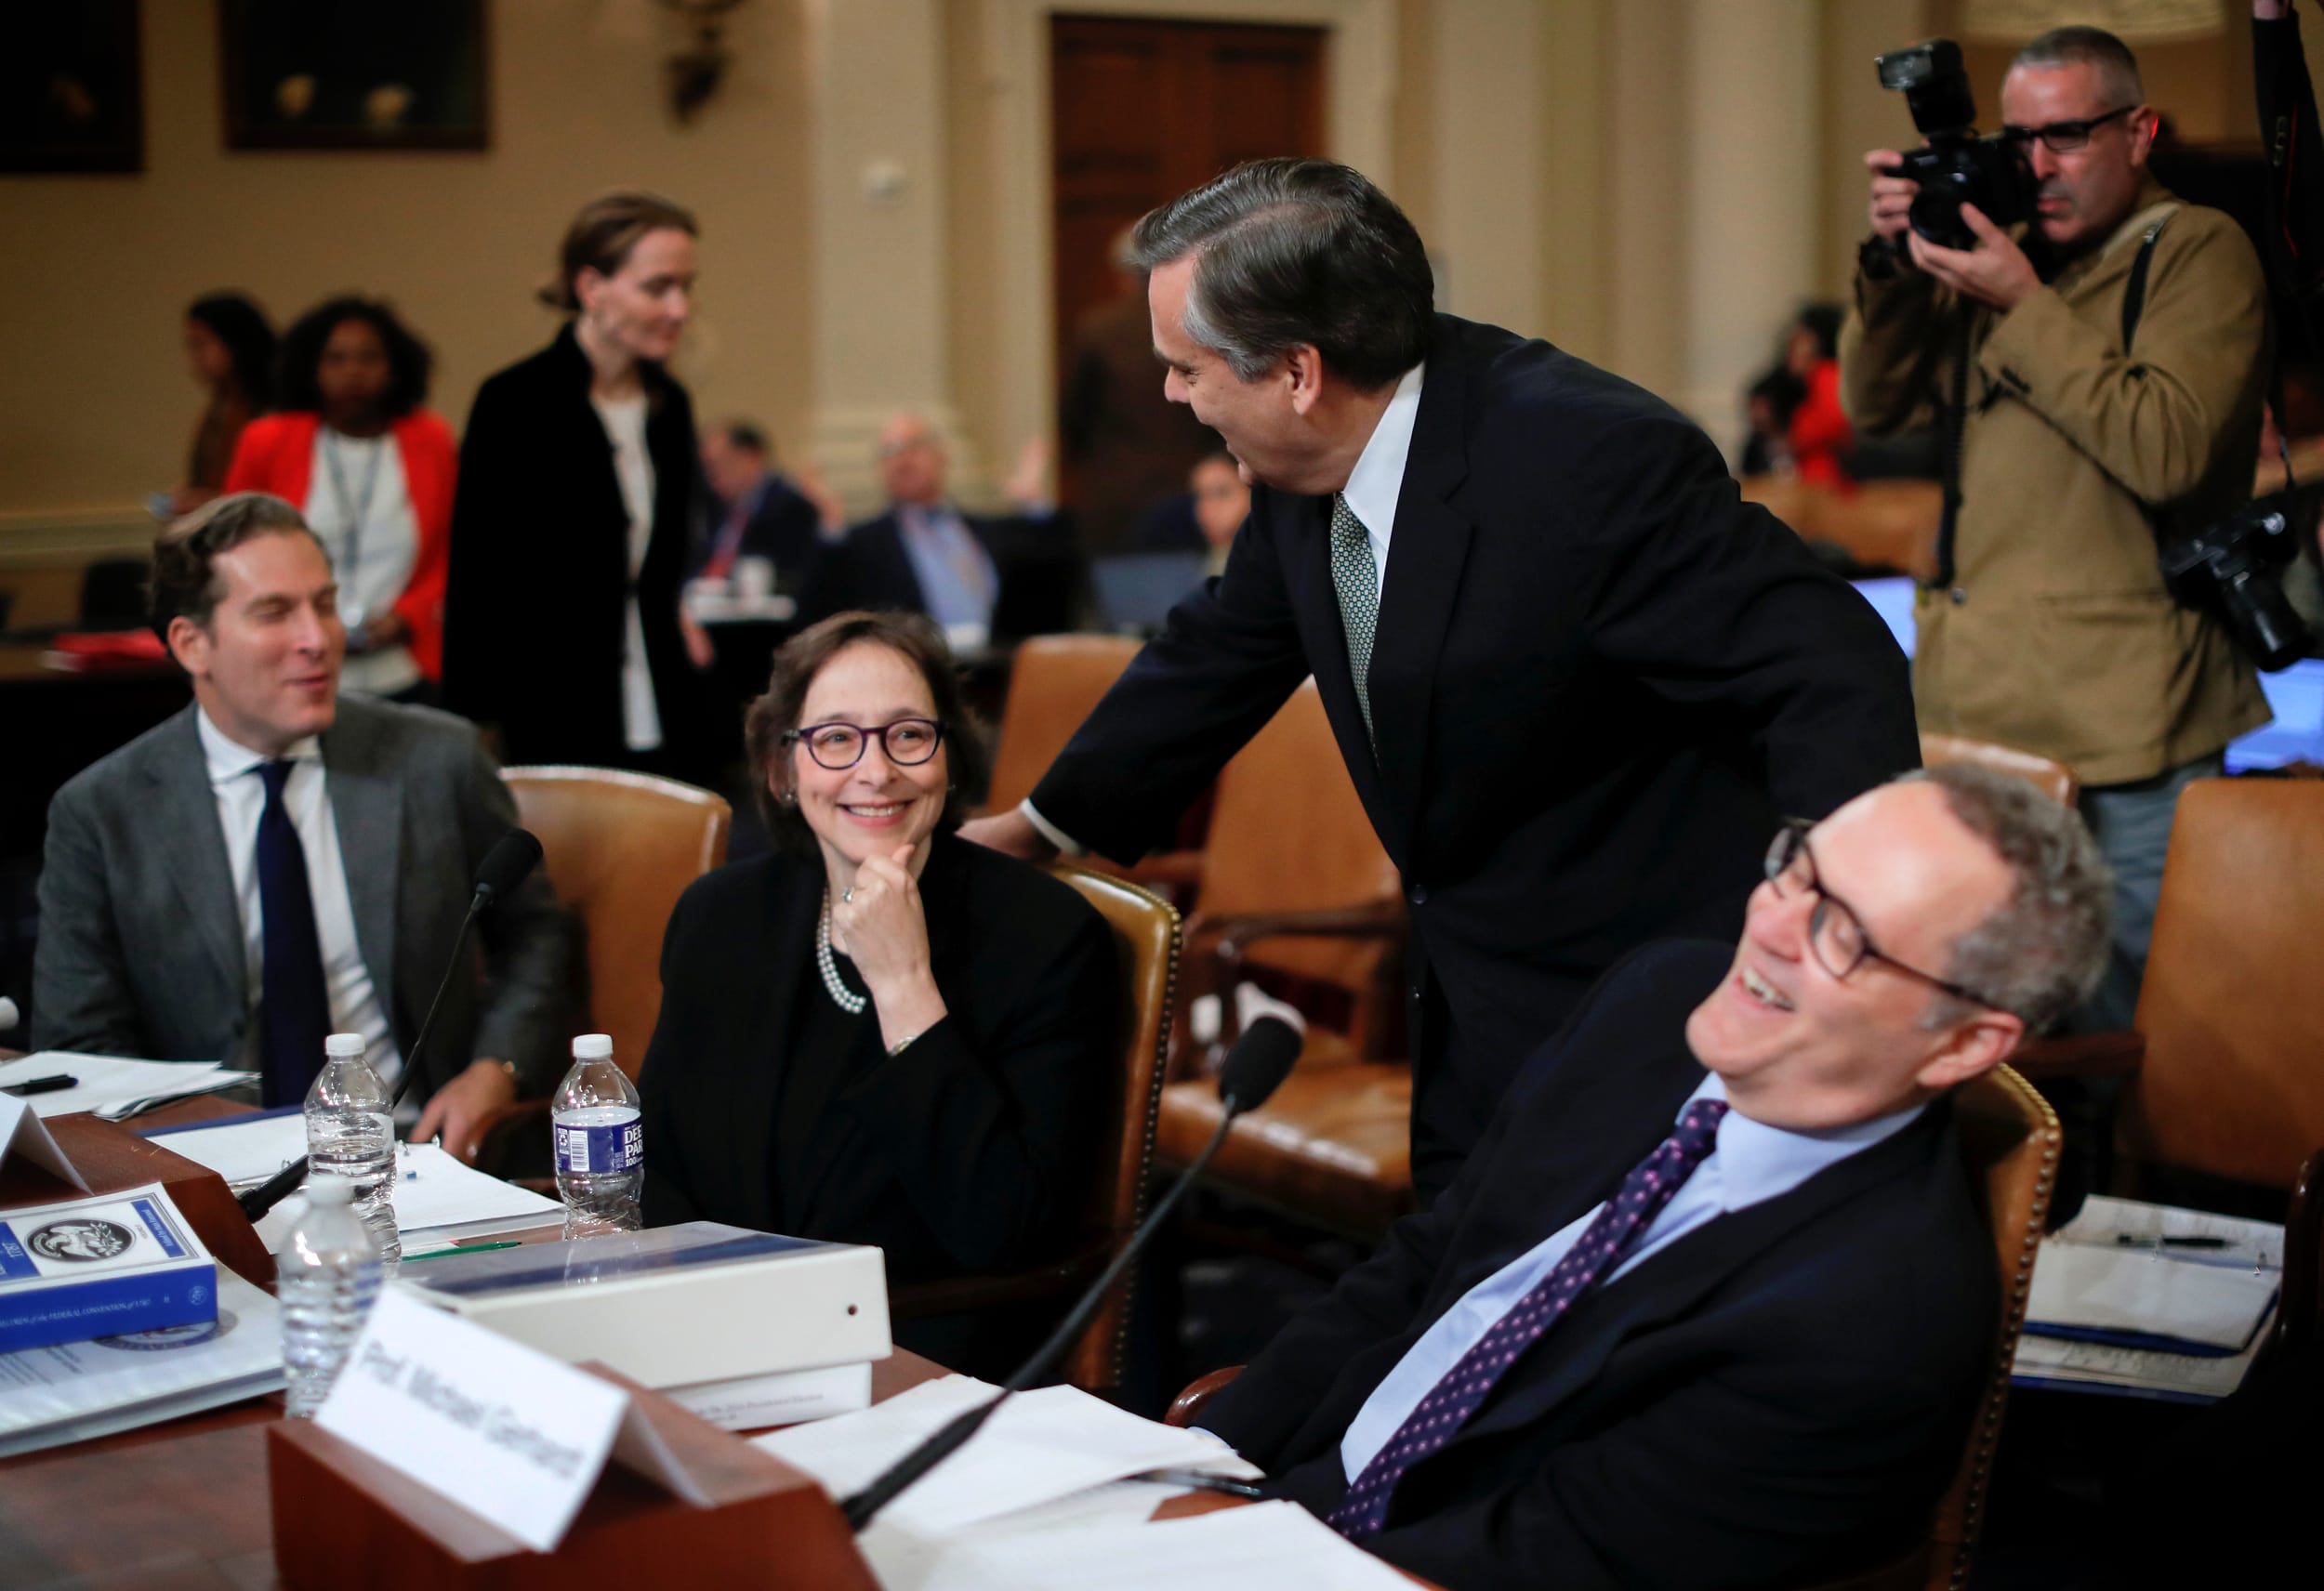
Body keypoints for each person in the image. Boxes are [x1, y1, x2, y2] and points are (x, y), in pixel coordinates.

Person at [963, 158, 1921, 1200]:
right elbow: (1221, 649)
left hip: (1648, 1002)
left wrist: (1822, 934)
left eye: (1187, 368)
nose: (1168, 393)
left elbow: (1832, 667)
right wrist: (1040, 824)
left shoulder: (1585, 457)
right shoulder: (1304, 466)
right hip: (1469, 999)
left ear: (1296, 371)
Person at [1193, 765, 2113, 1591]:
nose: (1770, 924)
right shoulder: (1654, 1001)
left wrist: (1227, 1555)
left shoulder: (1870, 1328)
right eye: (1798, 868)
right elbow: (1426, 1263)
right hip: (1278, 1502)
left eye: (1844, 932)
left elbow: (1546, 1557)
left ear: (1962, 1041)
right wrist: (1195, 1456)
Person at [1843, 25, 2272, 1033]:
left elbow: (2167, 447)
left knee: (2128, 1028)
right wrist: (1897, 264)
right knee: (1972, 1020)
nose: (2036, 165)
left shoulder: (2195, 249)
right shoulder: (2007, 252)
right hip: (1976, 709)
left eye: (2068, 136)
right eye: (2020, 137)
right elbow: (1875, 407)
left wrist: (2021, 302)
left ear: (2139, 130)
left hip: (2128, 727)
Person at [637, 611, 1117, 1377]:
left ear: (949, 759)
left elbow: (1006, 1232)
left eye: (907, 735)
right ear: (781, 771)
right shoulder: (719, 917)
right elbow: (653, 1165)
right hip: (716, 1341)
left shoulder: (1047, 939)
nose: (875, 770)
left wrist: (903, 985)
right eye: (834, 738)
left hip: (923, 1360)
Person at [33, 493, 570, 1153]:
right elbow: (81, 1042)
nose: (317, 639)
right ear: (191, 643)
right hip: (207, 1158)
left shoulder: (437, 759)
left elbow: (536, 934)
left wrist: (497, 1069)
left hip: (418, 1144)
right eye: (274, 613)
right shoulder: (102, 811)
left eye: (323, 603)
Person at [442, 191, 710, 773]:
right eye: (657, 287)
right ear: (592, 289)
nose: (679, 309)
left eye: (686, 287)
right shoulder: (515, 402)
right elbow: (477, 571)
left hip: (662, 690)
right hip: (552, 701)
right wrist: (474, 718)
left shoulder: (672, 404)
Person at [224, 296, 453, 701]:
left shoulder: (430, 439)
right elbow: (236, 552)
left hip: (407, 666)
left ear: (396, 367)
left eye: (369, 358)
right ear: (311, 368)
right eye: (336, 359)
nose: (353, 373)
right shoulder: (267, 441)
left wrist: (407, 617)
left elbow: (454, 550)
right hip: (295, 667)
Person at [799, 414, 1079, 649]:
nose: (902, 460)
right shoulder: (862, 544)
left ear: (942, 456)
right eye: (890, 452)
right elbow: (819, 610)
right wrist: (831, 525)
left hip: (999, 665)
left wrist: (1034, 506)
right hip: (924, 668)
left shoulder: (986, 529)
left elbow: (1060, 569)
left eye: (913, 446)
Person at [1059, 226, 1222, 554]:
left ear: (1121, 274)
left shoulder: (1100, 330)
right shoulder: (1202, 323)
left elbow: (1074, 418)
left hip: (1117, 495)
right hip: (1191, 489)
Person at [680, 420, 834, 670]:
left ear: (752, 457)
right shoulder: (714, 509)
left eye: (720, 464)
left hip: (757, 636)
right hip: (706, 619)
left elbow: (795, 576)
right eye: (706, 466)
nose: (712, 475)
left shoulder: (790, 506)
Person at [174, 293, 275, 517]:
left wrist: (215, 500)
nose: (194, 358)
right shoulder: (221, 405)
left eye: (200, 345)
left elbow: (275, 490)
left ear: (234, 343)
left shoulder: (272, 408)